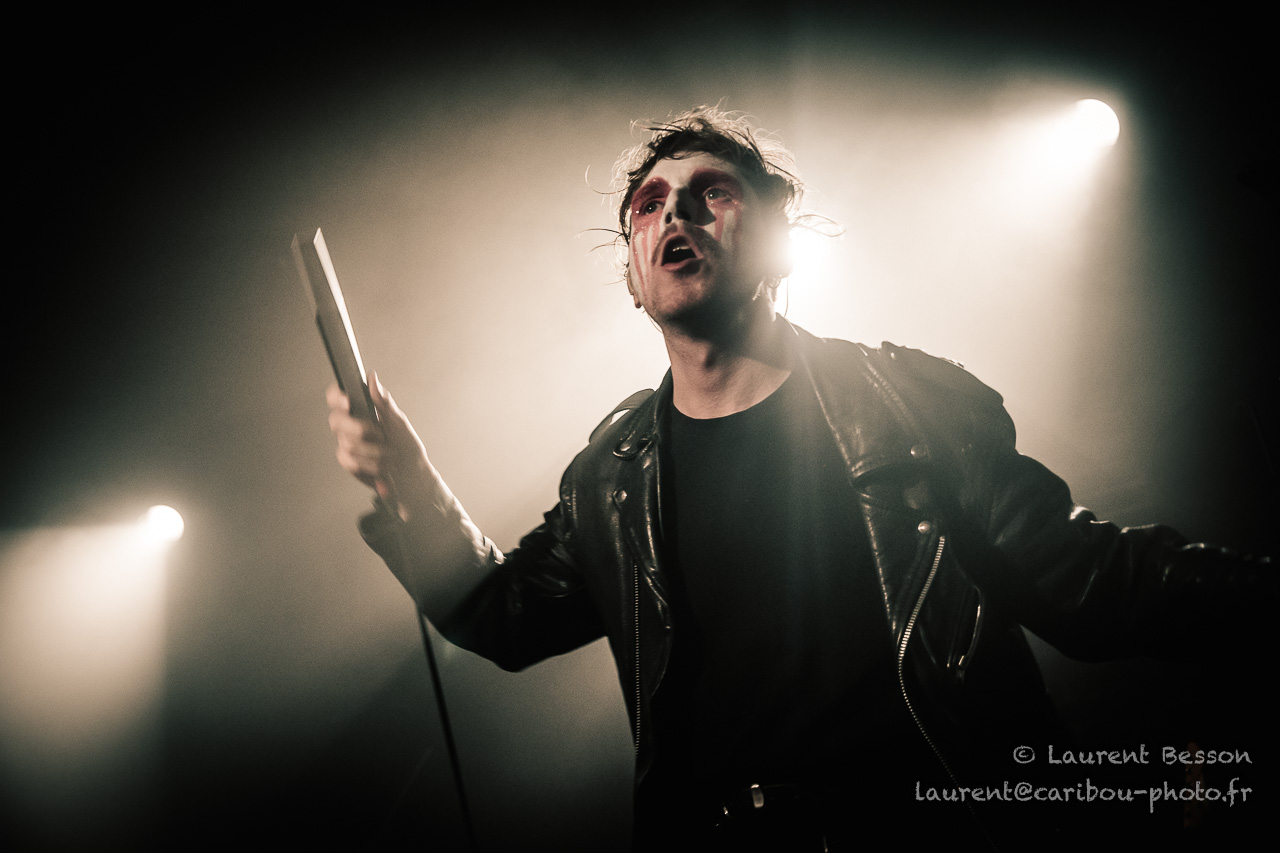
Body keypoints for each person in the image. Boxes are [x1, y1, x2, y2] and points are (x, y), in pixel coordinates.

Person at [327, 107, 1272, 850]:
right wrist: (418, 492)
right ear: (635, 275)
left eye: (712, 192)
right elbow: (506, 616)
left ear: (779, 238)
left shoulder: (909, 404)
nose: (676, 213)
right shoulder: (611, 479)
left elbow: (1090, 580)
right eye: (649, 204)